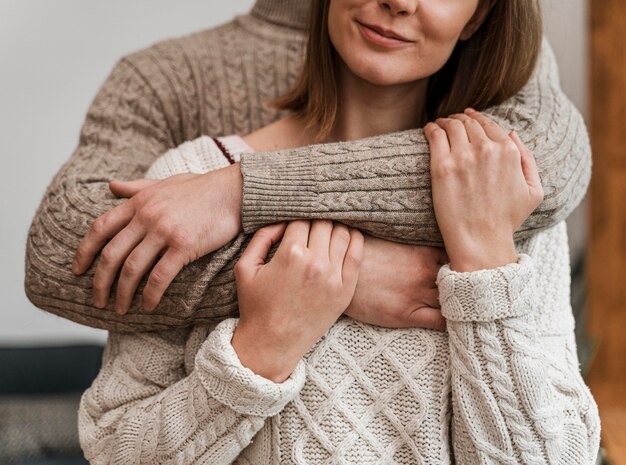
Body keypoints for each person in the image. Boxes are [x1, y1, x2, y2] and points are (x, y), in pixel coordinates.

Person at [75, 0, 600, 464]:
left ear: (479, 15)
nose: (397, 2)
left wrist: (484, 258)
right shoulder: (188, 184)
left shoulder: (496, 187)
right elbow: (115, 444)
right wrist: (261, 349)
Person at [24, 0, 590, 332]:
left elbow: (535, 169)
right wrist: (343, 275)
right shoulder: (165, 78)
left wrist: (241, 192)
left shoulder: (475, 45)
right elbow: (60, 253)